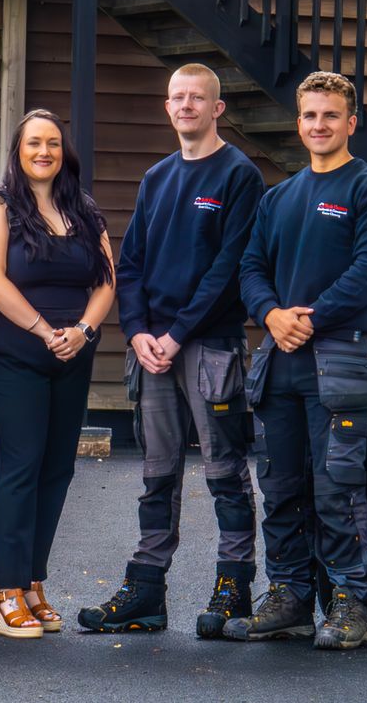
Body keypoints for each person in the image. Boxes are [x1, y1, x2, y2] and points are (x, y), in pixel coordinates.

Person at [79, 64, 265, 637]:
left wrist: (176, 332)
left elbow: (229, 270)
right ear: (167, 107)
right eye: (177, 97)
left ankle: (233, 587)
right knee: (157, 474)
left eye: (197, 98)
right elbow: (129, 262)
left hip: (207, 347)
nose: (186, 105)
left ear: (218, 109)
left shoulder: (239, 175)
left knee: (224, 473)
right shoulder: (156, 177)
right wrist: (136, 330)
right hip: (150, 350)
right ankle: (146, 590)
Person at [227, 71, 367, 650]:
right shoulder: (278, 198)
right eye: (309, 116)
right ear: (298, 123)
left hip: (339, 361)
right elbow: (250, 266)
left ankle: (350, 603)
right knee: (280, 486)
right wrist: (272, 315)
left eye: (330, 115)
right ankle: (290, 598)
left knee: (338, 487)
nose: (319, 125)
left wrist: (309, 318)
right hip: (278, 364)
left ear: (351, 123)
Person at [0, 109, 116, 639]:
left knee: (58, 469)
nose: (44, 152)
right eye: (34, 143)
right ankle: (5, 592)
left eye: (53, 143)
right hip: (13, 349)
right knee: (21, 467)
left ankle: (33, 582)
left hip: (72, 352)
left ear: (63, 151)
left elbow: (105, 281)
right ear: (19, 148)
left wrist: (81, 330)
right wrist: (43, 330)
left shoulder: (83, 208)